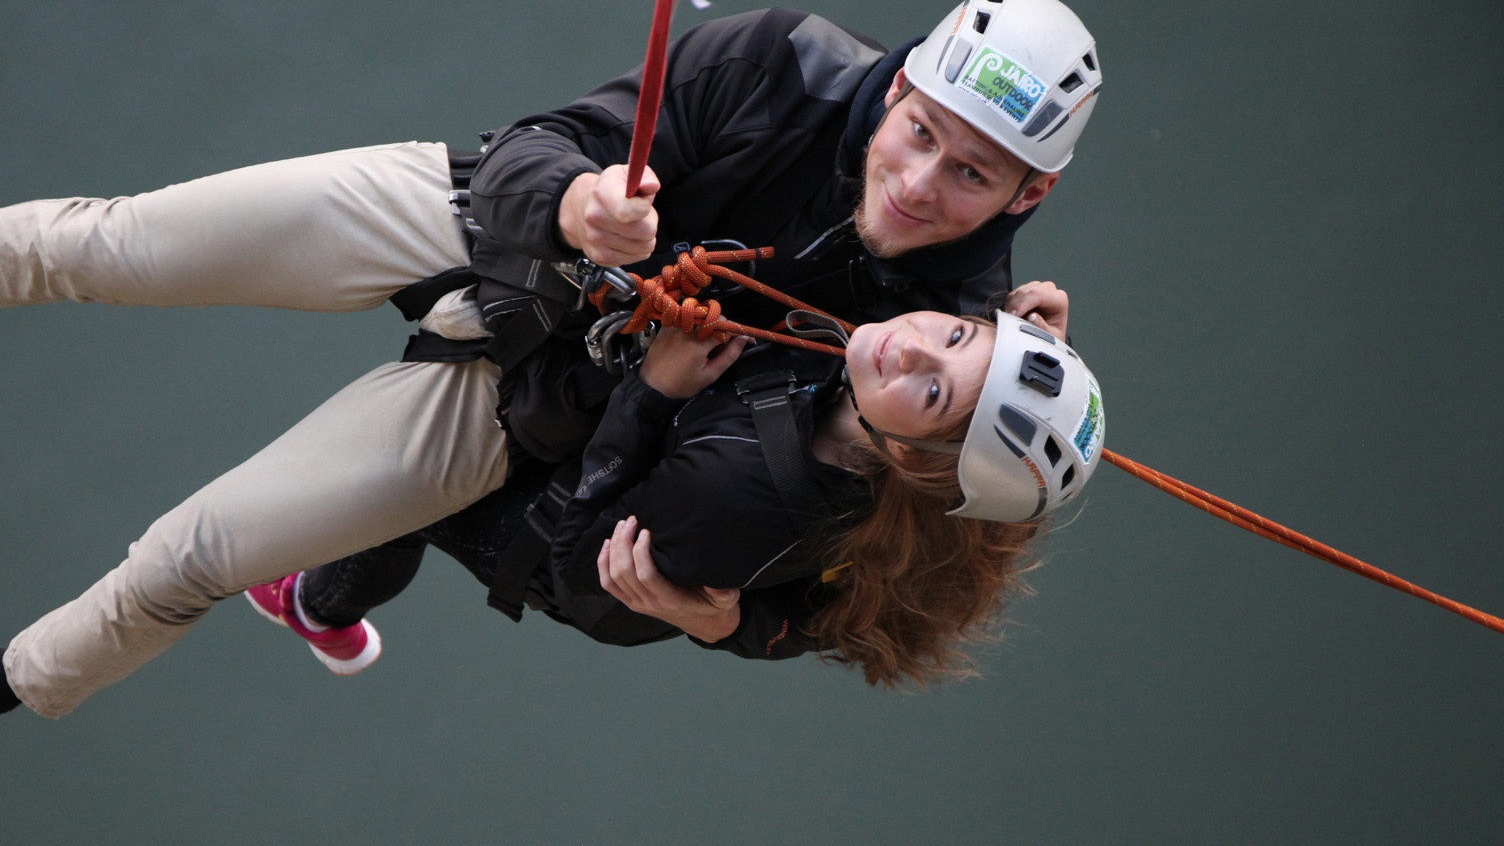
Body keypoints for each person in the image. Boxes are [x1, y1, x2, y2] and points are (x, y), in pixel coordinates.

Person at [0, 0, 1104, 757]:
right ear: (901, 79)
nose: (918, 184)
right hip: (487, 224)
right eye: (916, 131)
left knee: (192, 554)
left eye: (972, 175)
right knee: (124, 240)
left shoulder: (954, 359)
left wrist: (732, 622)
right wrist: (573, 206)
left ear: (1026, 200)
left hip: (533, 399)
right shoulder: (782, 61)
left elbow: (854, 581)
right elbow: (552, 135)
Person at [252, 287, 1103, 687]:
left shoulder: (751, 495)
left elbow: (582, 568)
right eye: (958, 329)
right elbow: (950, 373)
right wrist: (1027, 346)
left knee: (403, 495)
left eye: (934, 390)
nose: (912, 347)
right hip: (664, 467)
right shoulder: (889, 418)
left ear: (918, 459)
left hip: (568, 552)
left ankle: (318, 610)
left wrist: (653, 393)